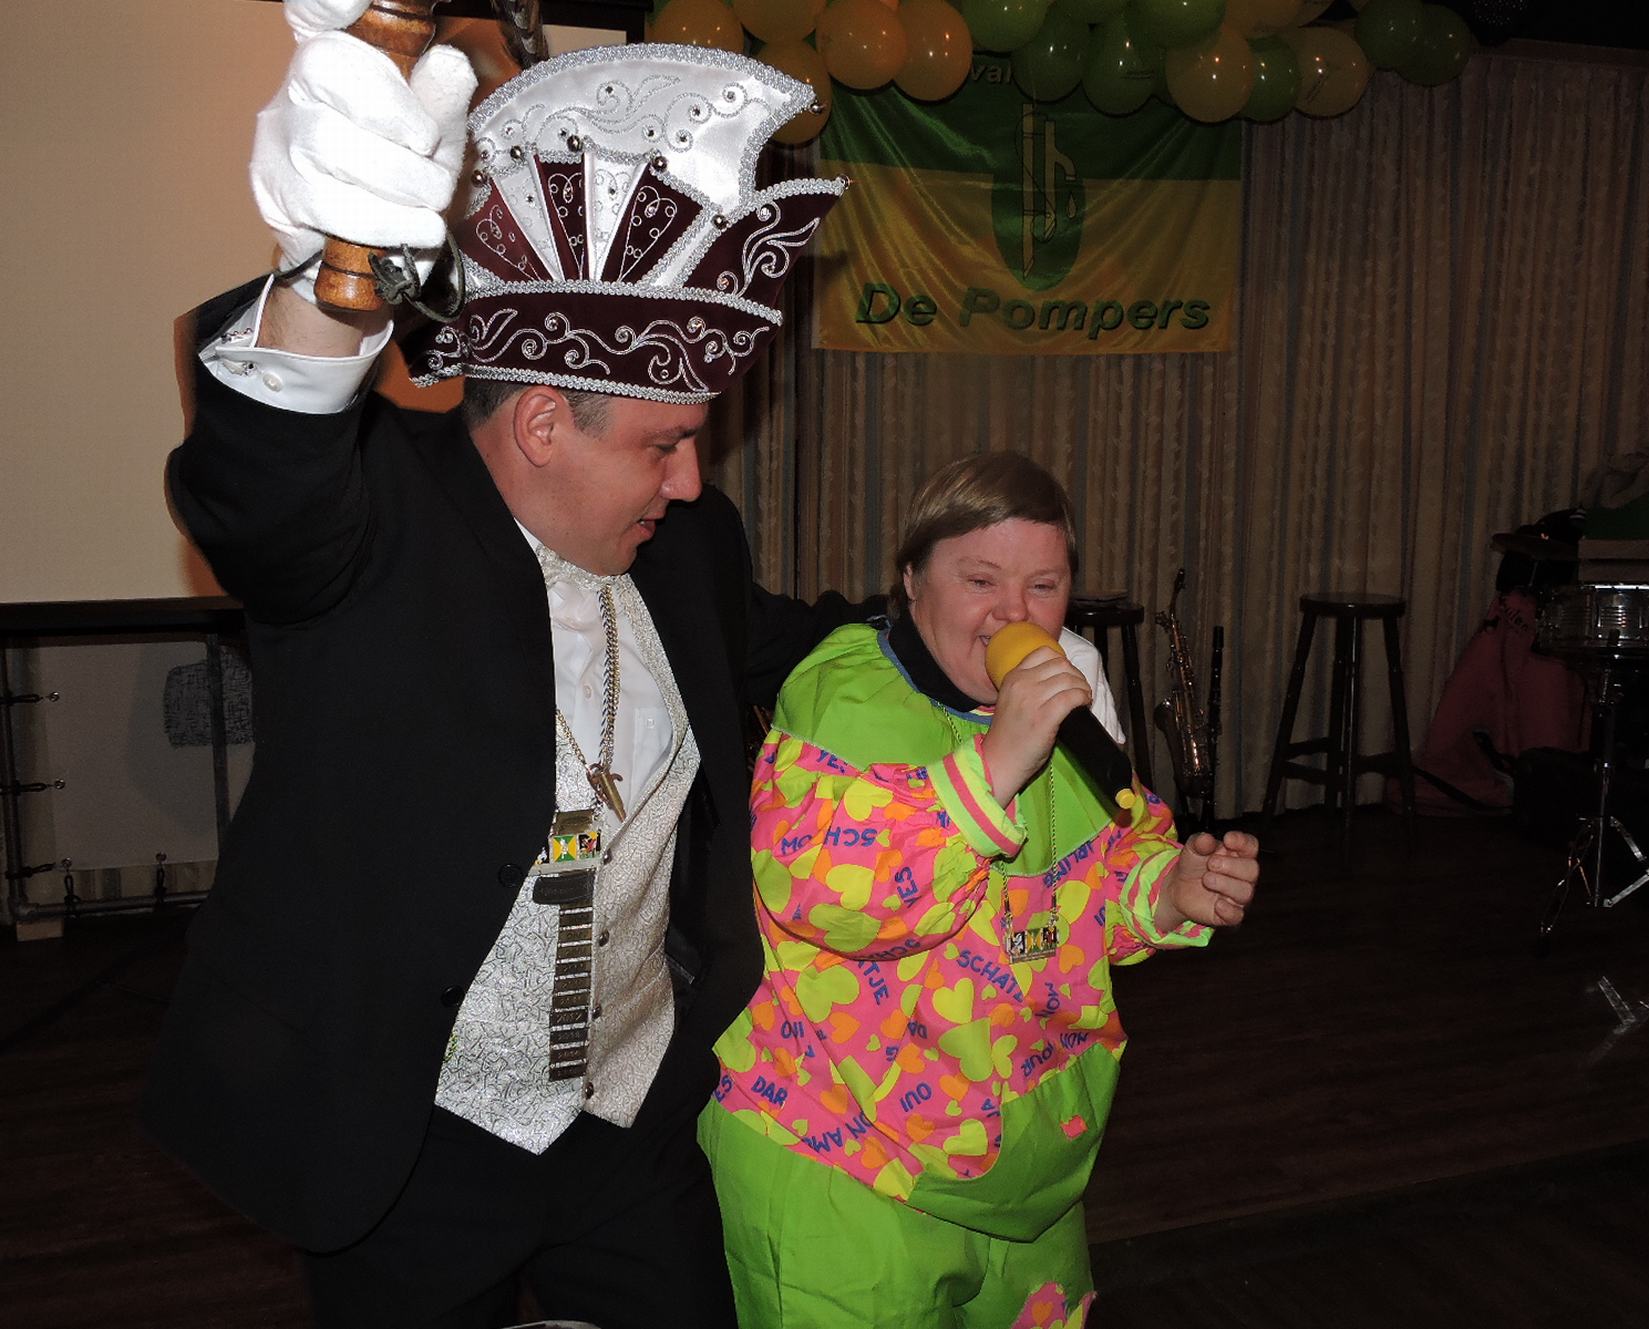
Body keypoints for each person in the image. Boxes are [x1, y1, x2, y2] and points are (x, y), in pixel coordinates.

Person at [142, 9, 860, 1327]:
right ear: (539, 422)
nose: (690, 482)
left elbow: (791, 635)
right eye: (662, 446)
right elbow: (262, 488)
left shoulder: (688, 543)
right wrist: (328, 282)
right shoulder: (380, 525)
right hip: (412, 1145)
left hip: (633, 1118)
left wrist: (967, 631)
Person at [699, 453, 1261, 1328]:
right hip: (839, 1149)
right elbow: (830, 894)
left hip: (1013, 1154)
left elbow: (1096, 877)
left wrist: (1169, 891)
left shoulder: (1063, 695)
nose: (1014, 614)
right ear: (911, 579)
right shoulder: (841, 692)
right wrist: (997, 763)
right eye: (980, 580)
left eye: (1044, 585)